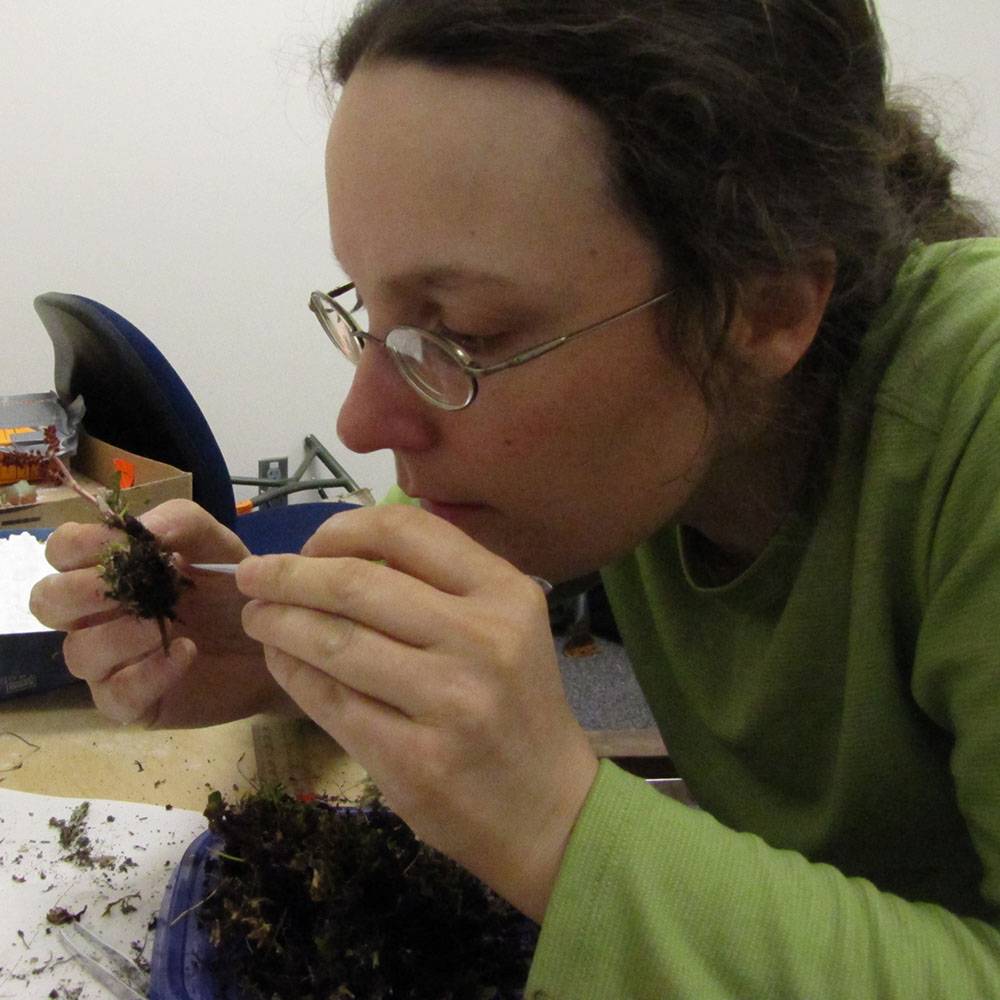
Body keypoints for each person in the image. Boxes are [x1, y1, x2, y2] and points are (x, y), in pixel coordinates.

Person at [30, 0, 1000, 995]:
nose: (359, 421)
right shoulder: (636, 441)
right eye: (370, 311)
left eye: (466, 334)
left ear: (767, 306)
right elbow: (403, 587)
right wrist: (269, 639)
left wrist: (555, 825)